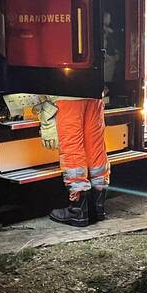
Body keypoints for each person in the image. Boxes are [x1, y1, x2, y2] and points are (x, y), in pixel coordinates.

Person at [36, 95, 110, 226]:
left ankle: (78, 210)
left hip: (67, 94)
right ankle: (98, 207)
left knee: (72, 149)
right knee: (95, 149)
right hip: (94, 93)